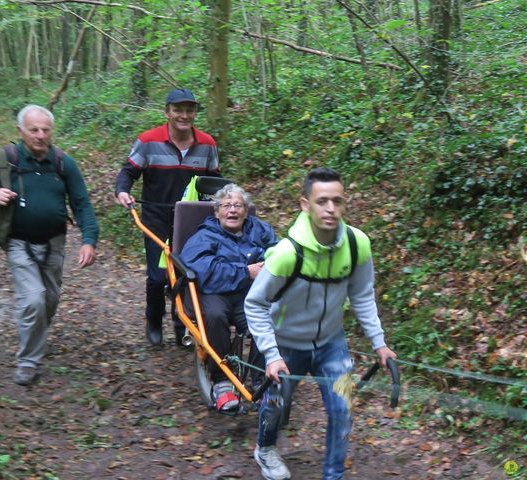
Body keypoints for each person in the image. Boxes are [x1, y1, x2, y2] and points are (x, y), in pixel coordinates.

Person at [245, 167, 397, 480]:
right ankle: (265, 448)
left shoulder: (358, 245)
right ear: (305, 204)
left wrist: (379, 343)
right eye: (322, 201)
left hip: (332, 344)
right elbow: (255, 303)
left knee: (343, 409)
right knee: (275, 404)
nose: (330, 208)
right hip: (286, 344)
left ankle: (333, 475)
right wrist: (272, 355)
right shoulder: (287, 253)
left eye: (337, 201)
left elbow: (362, 296)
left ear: (345, 203)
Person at [0, 105, 99, 386]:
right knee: (34, 299)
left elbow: (82, 203)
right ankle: (28, 362)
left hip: (54, 242)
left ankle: (36, 334)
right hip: (18, 242)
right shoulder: (5, 159)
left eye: (45, 130)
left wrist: (89, 240)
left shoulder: (63, 163)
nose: (40, 135)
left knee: (49, 299)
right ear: (21, 131)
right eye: (34, 130)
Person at [115, 88, 220, 346]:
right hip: (156, 217)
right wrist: (122, 192)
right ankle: (153, 319)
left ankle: (180, 324)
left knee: (186, 274)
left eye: (189, 110)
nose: (184, 115)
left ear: (195, 113)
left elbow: (214, 181)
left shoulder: (207, 144)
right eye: (178, 110)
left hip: (191, 219)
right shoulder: (149, 141)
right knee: (159, 275)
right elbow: (128, 172)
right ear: (167, 113)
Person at [179, 184, 277, 412]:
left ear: (246, 211)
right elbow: (203, 272)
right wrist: (246, 271)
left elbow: (279, 252)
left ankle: (260, 380)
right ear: (216, 211)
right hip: (213, 293)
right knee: (214, 315)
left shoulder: (260, 230)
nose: (232, 210)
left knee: (268, 316)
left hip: (249, 294)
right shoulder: (204, 236)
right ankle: (221, 382)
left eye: (238, 205)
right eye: (226, 205)